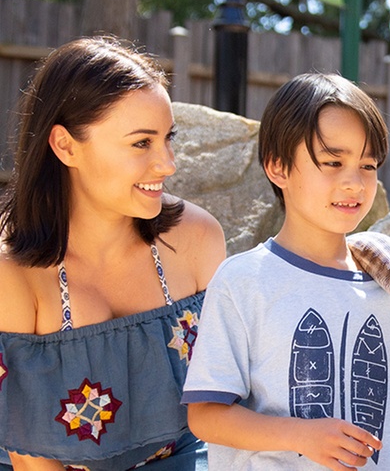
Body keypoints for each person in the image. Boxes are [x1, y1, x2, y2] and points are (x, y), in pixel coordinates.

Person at [181, 72, 390, 470]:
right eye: (332, 162)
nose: (354, 183)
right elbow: (205, 415)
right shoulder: (243, 281)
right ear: (278, 167)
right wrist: (300, 435)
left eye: (368, 165)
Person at [0, 37, 226, 470]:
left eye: (167, 138)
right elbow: (34, 463)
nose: (168, 163)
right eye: (142, 143)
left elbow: (234, 395)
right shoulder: (13, 274)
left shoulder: (196, 239)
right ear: (66, 146)